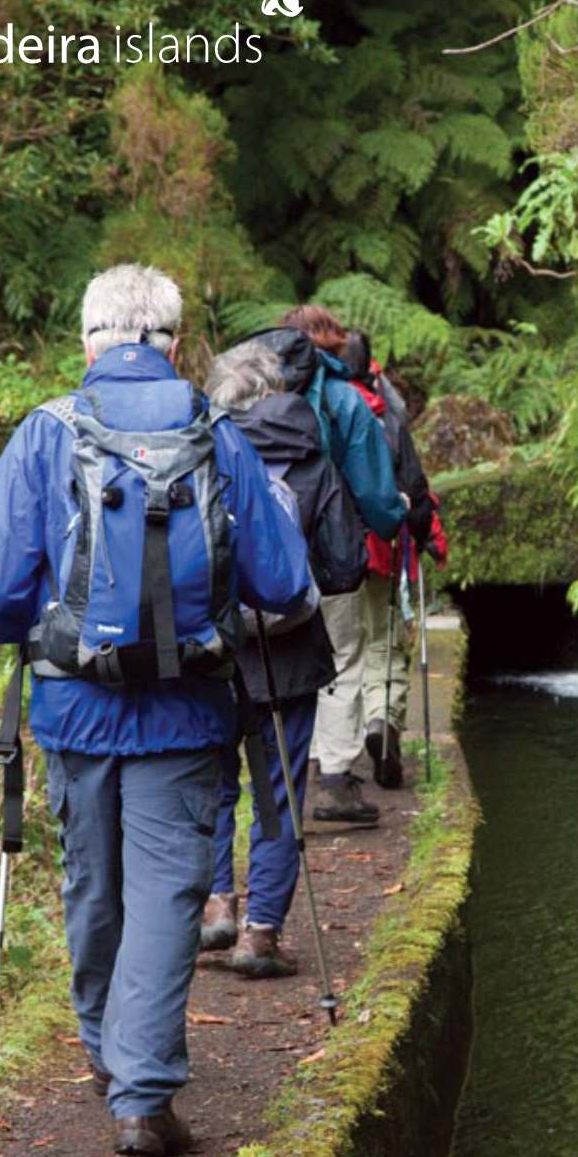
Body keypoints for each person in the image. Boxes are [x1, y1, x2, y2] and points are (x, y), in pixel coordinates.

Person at [0, 264, 311, 1157]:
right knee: (165, 895)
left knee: (93, 884)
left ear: (89, 341)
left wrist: (33, 634)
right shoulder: (218, 433)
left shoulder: (47, 433)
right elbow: (279, 579)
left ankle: (110, 1058)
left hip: (75, 709)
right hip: (188, 715)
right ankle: (141, 1097)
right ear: (171, 340)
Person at [200, 341, 366, 975]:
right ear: (275, 392)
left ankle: (216, 904)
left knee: (215, 785)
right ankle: (260, 935)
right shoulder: (311, 459)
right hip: (289, 654)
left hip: (213, 651)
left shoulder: (200, 453)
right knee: (279, 795)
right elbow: (347, 564)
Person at [244, 310, 406, 824]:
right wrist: (393, 518)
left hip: (257, 551)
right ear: (331, 351)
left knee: (266, 657)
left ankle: (275, 779)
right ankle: (334, 780)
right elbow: (375, 490)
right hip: (329, 546)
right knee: (342, 658)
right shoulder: (343, 399)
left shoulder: (242, 388)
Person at [342, 331, 447, 787]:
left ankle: (334, 756)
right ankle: (382, 722)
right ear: (370, 367)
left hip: (327, 556)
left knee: (341, 649)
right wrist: (423, 534)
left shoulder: (311, 409)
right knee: (385, 646)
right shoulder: (386, 417)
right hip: (380, 549)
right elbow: (416, 489)